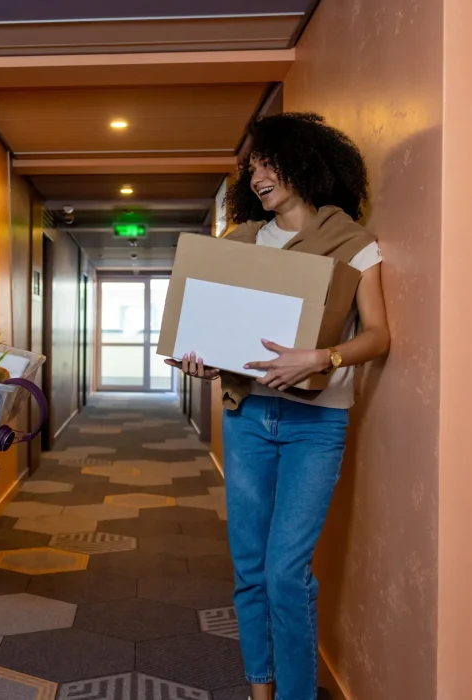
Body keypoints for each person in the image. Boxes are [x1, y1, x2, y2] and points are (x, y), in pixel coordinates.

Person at [167, 113, 390, 700]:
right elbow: (218, 333)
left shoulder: (352, 243)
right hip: (247, 419)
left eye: (269, 163)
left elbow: (378, 336)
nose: (258, 176)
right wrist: (201, 362)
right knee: (250, 568)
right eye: (252, 168)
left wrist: (322, 357)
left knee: (285, 572)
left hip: (316, 424)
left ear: (305, 162)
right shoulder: (239, 242)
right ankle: (259, 691)